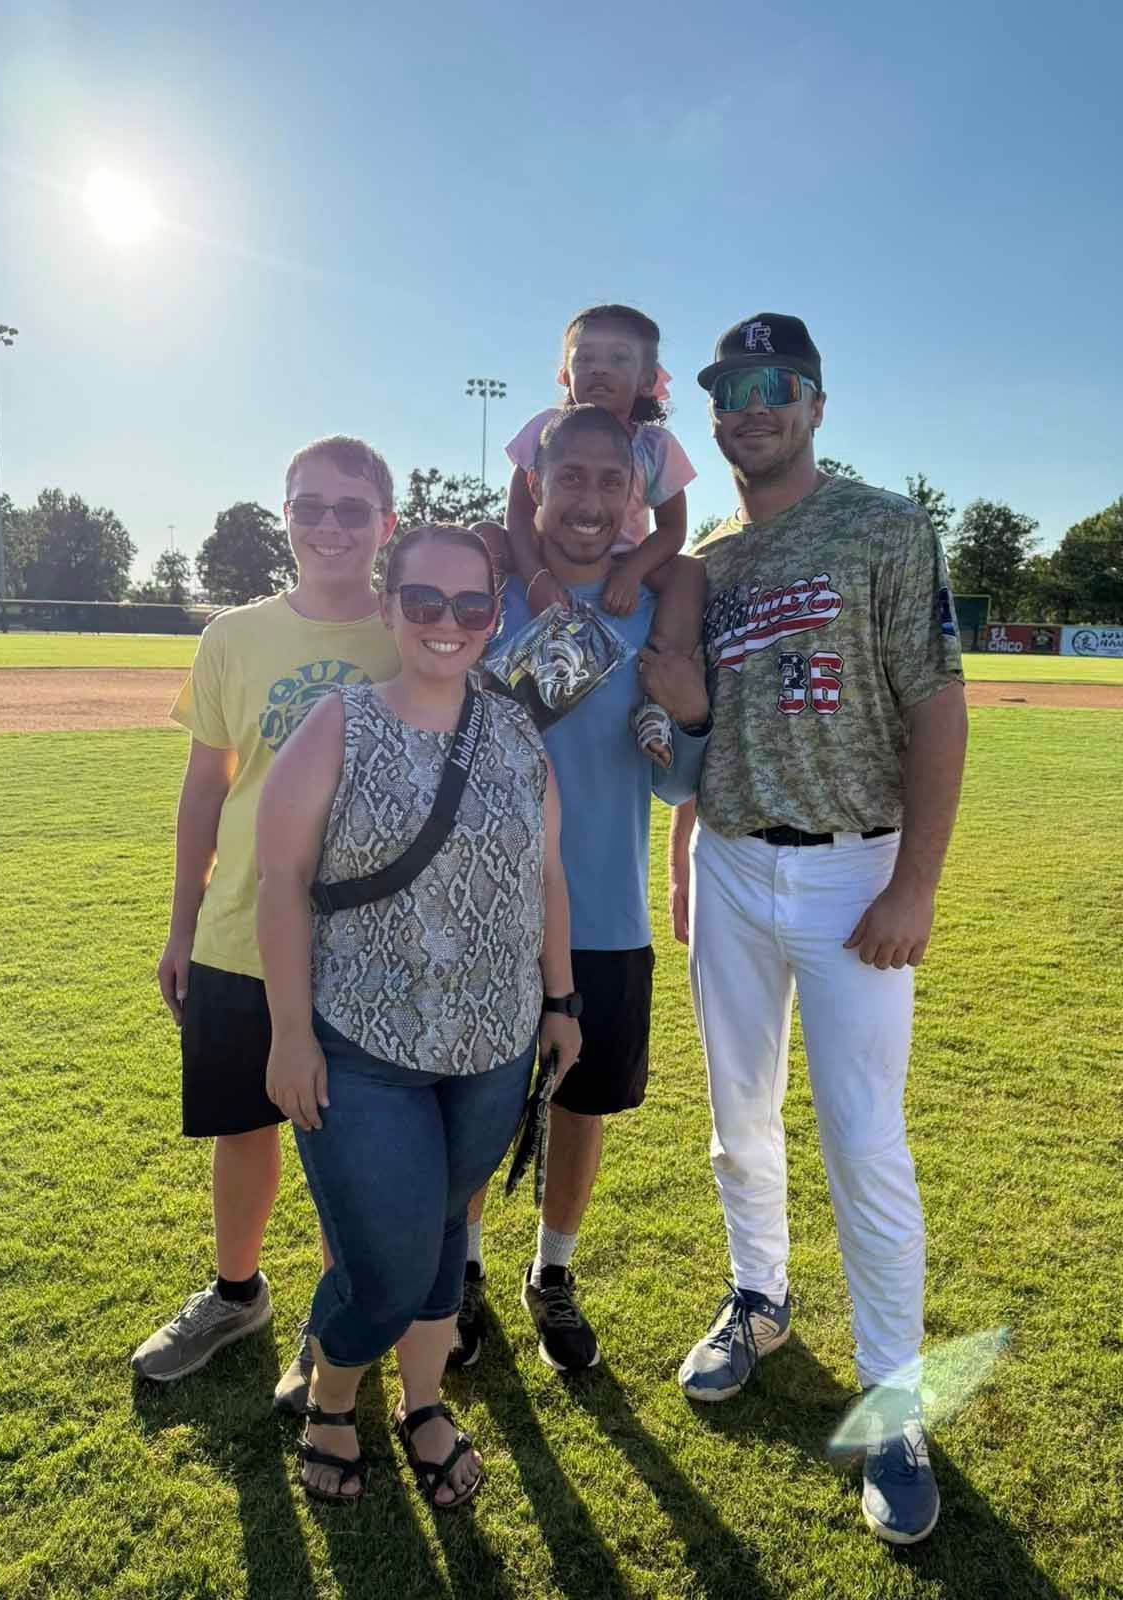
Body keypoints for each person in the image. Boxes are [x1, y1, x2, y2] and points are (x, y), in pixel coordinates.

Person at [670, 314, 967, 1546]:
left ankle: (894, 1401)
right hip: (734, 862)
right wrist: (687, 854)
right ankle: (760, 1295)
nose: (751, 405)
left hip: (856, 874)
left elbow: (937, 710)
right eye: (732, 388)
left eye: (774, 385)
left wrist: (916, 886)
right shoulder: (708, 555)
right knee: (738, 1115)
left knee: (864, 1140)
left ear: (816, 401)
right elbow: (700, 728)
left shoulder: (887, 525)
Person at [255, 524, 581, 1508]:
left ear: (494, 615)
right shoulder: (337, 724)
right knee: (388, 1264)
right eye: (425, 602)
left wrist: (561, 998)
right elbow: (281, 882)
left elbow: (548, 875)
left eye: (471, 605)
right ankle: (330, 1400)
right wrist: (290, 1031)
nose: (448, 623)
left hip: (493, 1045)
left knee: (442, 1231)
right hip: (364, 1045)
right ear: (390, 605)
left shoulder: (520, 731)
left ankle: (424, 1401)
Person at [130, 436, 399, 1412]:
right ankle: (238, 1294)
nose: (329, 525)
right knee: (242, 1128)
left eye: (351, 509)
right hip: (239, 931)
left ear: (386, 524)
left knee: (347, 1147)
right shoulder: (233, 638)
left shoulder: (409, 633)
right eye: (309, 506)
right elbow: (205, 791)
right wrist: (180, 924)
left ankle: (337, 1319)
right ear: (284, 515)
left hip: (362, 951)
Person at [451, 404, 711, 1375]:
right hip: (482, 908)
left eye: (613, 480)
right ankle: (464, 1271)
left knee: (580, 1106)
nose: (592, 499)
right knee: (473, 1103)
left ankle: (552, 1275)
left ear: (637, 492)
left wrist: (687, 716)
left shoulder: (659, 608)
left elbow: (679, 781)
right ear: (538, 487)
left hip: (606, 913)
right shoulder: (496, 589)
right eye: (572, 479)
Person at [489, 303, 705, 767]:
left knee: (687, 572)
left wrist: (634, 573)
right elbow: (518, 515)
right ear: (565, 373)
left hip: (627, 564)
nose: (599, 369)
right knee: (482, 537)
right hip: (550, 555)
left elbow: (674, 530)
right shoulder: (543, 429)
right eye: (584, 358)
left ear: (648, 379)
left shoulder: (654, 445)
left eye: (619, 359)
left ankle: (658, 693)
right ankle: (470, 649)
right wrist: (535, 580)